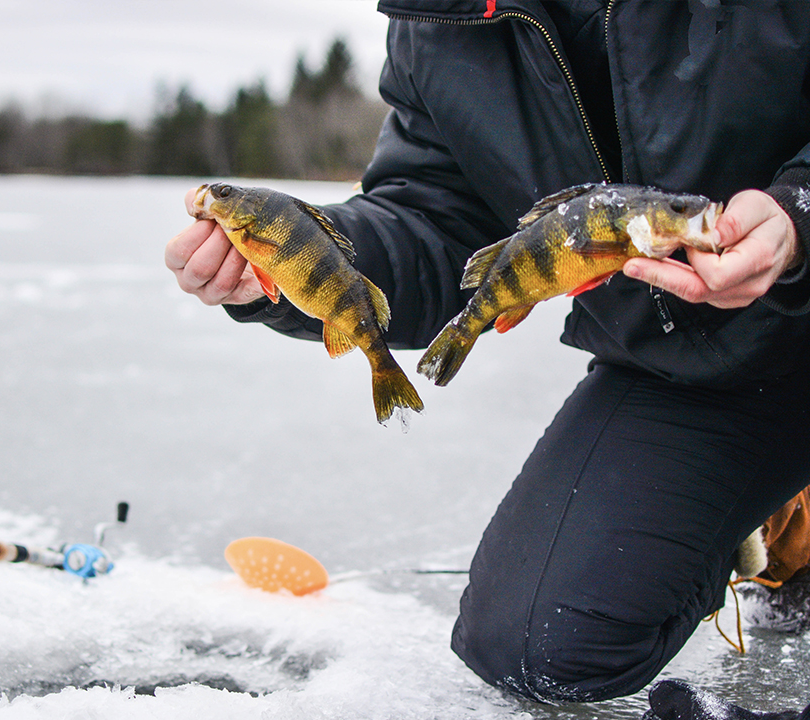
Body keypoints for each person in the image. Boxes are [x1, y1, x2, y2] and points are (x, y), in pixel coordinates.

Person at [166, 0, 810, 715]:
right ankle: (776, 514)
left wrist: (796, 217)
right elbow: (435, 221)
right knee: (539, 647)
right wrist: (286, 273)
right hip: (696, 364)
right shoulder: (439, 15)